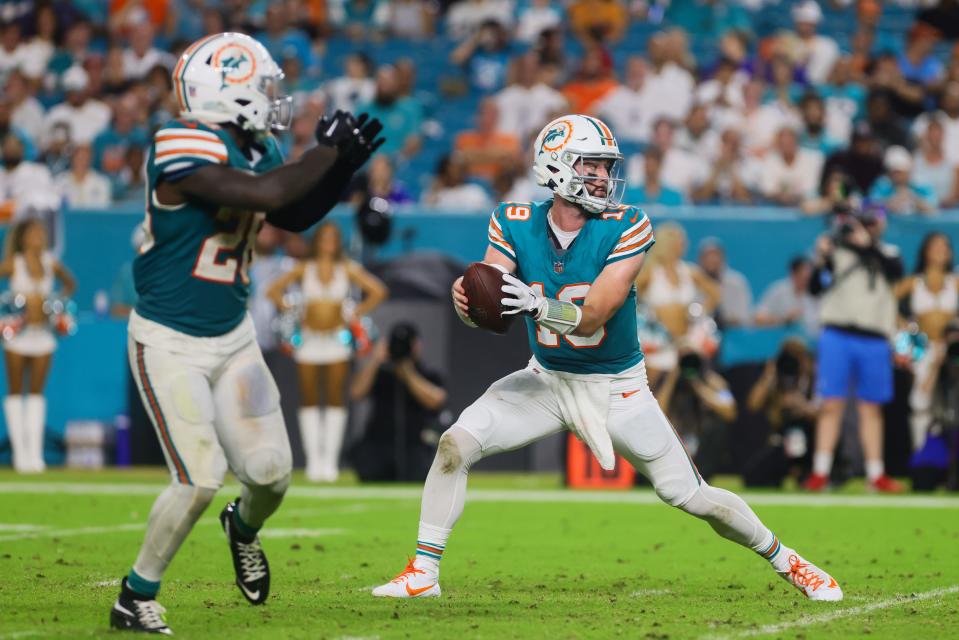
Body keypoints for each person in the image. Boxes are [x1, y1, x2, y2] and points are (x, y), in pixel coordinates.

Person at [372, 114, 842, 602]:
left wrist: (536, 304)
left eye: (604, 166)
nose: (602, 176)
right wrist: (469, 300)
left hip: (619, 387)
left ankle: (788, 560)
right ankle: (424, 571)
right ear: (556, 168)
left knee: (691, 495)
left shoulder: (627, 224)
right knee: (455, 443)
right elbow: (494, 292)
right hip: (548, 380)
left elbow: (594, 316)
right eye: (590, 165)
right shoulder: (513, 221)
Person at [109, 32, 385, 635]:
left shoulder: (254, 146)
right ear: (222, 93)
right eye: (261, 87)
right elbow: (264, 192)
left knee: (270, 473)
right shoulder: (180, 141)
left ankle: (243, 527)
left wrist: (340, 168)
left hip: (232, 341)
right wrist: (324, 154)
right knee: (199, 477)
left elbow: (287, 213)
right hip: (169, 341)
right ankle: (135, 595)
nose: (271, 98)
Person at [266, 223, 387, 482]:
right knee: (309, 396)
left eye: (334, 238)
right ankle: (313, 461)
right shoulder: (304, 268)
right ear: (317, 240)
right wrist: (291, 309)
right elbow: (272, 291)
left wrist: (354, 313)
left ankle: (330, 462)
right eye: (325, 237)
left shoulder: (347, 268)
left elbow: (378, 290)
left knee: (334, 396)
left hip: (336, 340)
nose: (329, 242)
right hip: (309, 340)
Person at [804, 202, 904, 493]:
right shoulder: (838, 252)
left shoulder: (888, 252)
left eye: (875, 221)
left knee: (871, 407)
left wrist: (865, 243)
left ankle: (876, 474)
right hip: (837, 333)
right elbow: (815, 287)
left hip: (875, 337)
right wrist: (822, 257)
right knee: (831, 403)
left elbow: (893, 270)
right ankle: (820, 472)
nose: (871, 225)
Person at [0, 219, 76, 473]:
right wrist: (10, 305)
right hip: (18, 335)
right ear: (22, 238)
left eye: (41, 233)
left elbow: (70, 284)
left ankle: (35, 456)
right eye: (33, 233)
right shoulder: (15, 263)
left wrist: (54, 303)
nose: (38, 237)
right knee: (15, 390)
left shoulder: (50, 262)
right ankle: (20, 455)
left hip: (42, 334)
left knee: (35, 392)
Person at [349, 323, 447, 482]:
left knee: (419, 474)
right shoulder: (380, 373)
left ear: (417, 346)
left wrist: (408, 374)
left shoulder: (427, 374)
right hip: (378, 443)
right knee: (370, 472)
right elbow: (356, 393)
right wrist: (375, 361)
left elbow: (436, 400)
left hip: (414, 444)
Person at [895, 232, 957, 452]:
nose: (941, 250)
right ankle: (921, 455)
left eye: (945, 246)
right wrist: (904, 328)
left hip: (951, 346)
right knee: (920, 399)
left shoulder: (955, 282)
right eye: (935, 246)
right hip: (921, 344)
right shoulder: (914, 282)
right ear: (925, 251)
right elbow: (886, 301)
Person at [744, 338, 818, 487]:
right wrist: (768, 376)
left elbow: (824, 416)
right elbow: (752, 404)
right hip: (782, 443)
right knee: (752, 477)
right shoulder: (777, 379)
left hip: (811, 442)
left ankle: (805, 473)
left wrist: (801, 405)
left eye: (797, 356)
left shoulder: (813, 379)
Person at [635, 221, 719, 342]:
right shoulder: (649, 272)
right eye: (682, 242)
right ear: (669, 244)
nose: (686, 245)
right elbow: (627, 295)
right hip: (656, 340)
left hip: (688, 338)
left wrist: (699, 311)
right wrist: (647, 315)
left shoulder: (690, 271)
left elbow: (715, 293)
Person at [754, 256, 819, 338]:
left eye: (810, 277)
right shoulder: (778, 290)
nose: (807, 280)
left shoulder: (816, 295)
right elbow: (758, 318)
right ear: (793, 274)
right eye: (804, 277)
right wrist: (784, 320)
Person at [697, 237, 752, 328]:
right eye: (707, 256)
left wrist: (723, 321)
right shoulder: (692, 283)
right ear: (700, 259)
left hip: (733, 336)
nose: (711, 259)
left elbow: (743, 317)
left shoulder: (737, 283)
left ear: (723, 258)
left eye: (715, 255)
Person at [869, 146, 938, 216]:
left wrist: (913, 199)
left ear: (909, 171)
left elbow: (933, 210)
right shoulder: (881, 185)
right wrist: (888, 203)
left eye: (900, 172)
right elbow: (869, 207)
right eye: (894, 172)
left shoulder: (923, 185)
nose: (897, 176)